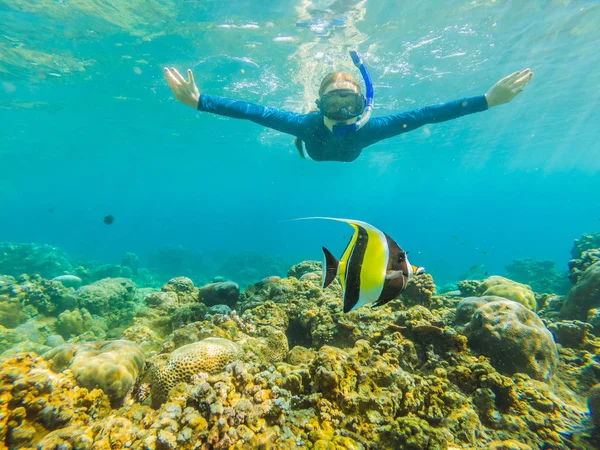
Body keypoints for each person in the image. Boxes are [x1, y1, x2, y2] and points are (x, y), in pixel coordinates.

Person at [164, 51, 533, 162]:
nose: (342, 111)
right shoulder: (305, 125)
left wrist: (489, 100)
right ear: (318, 103)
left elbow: (428, 114)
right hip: (312, 149)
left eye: (349, 102)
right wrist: (199, 101)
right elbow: (253, 111)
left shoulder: (371, 127)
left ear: (363, 103)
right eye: (333, 102)